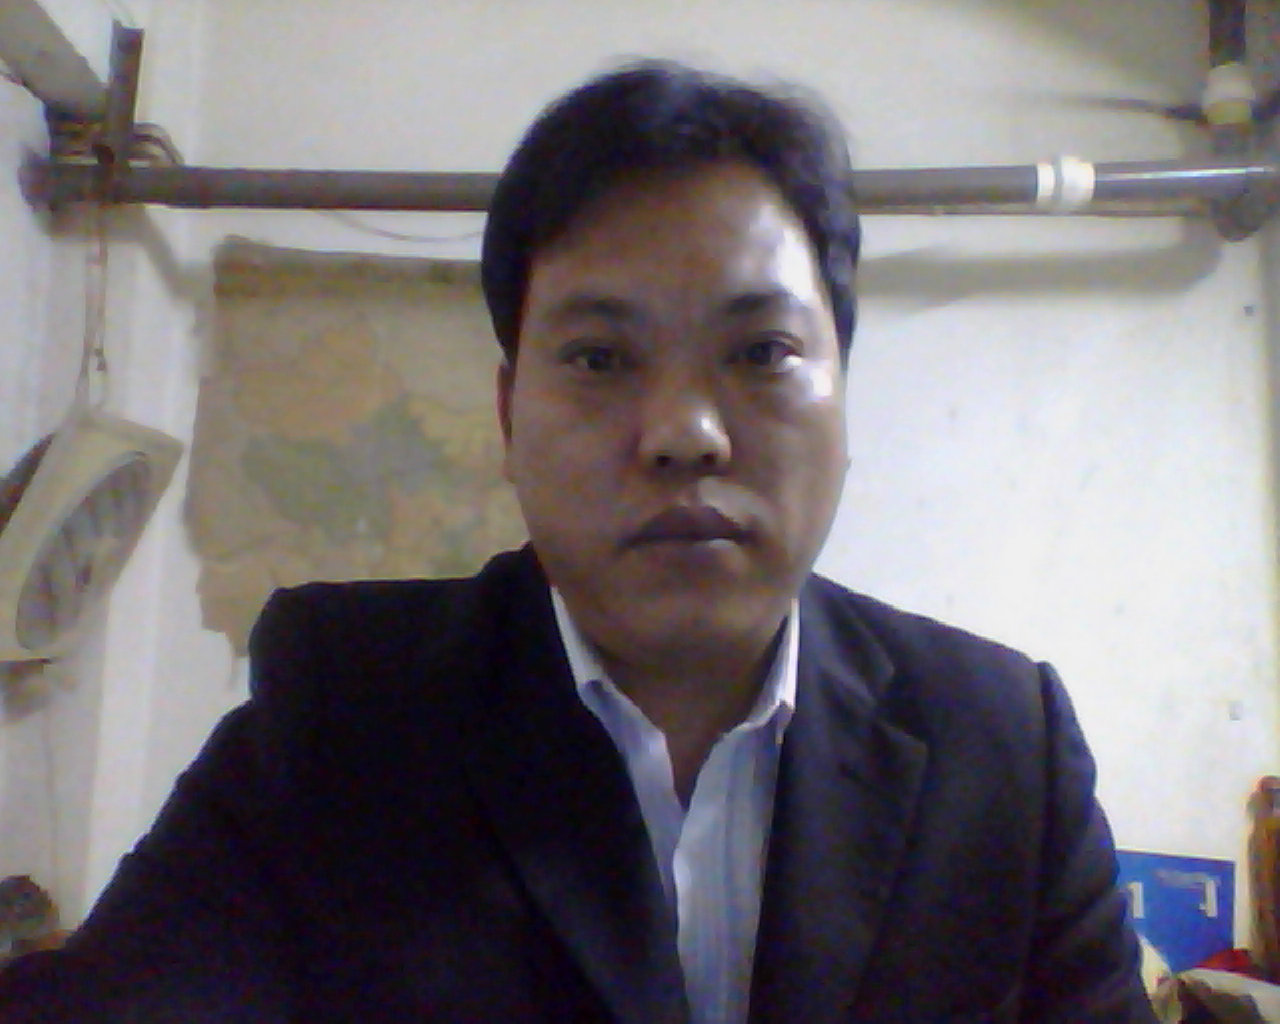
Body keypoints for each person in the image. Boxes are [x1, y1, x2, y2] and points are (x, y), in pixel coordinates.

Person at [0, 61, 1154, 1022]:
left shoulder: (1003, 747)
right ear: (508, 418)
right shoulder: (344, 710)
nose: (684, 433)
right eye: (600, 358)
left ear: (843, 397)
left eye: (759, 354)